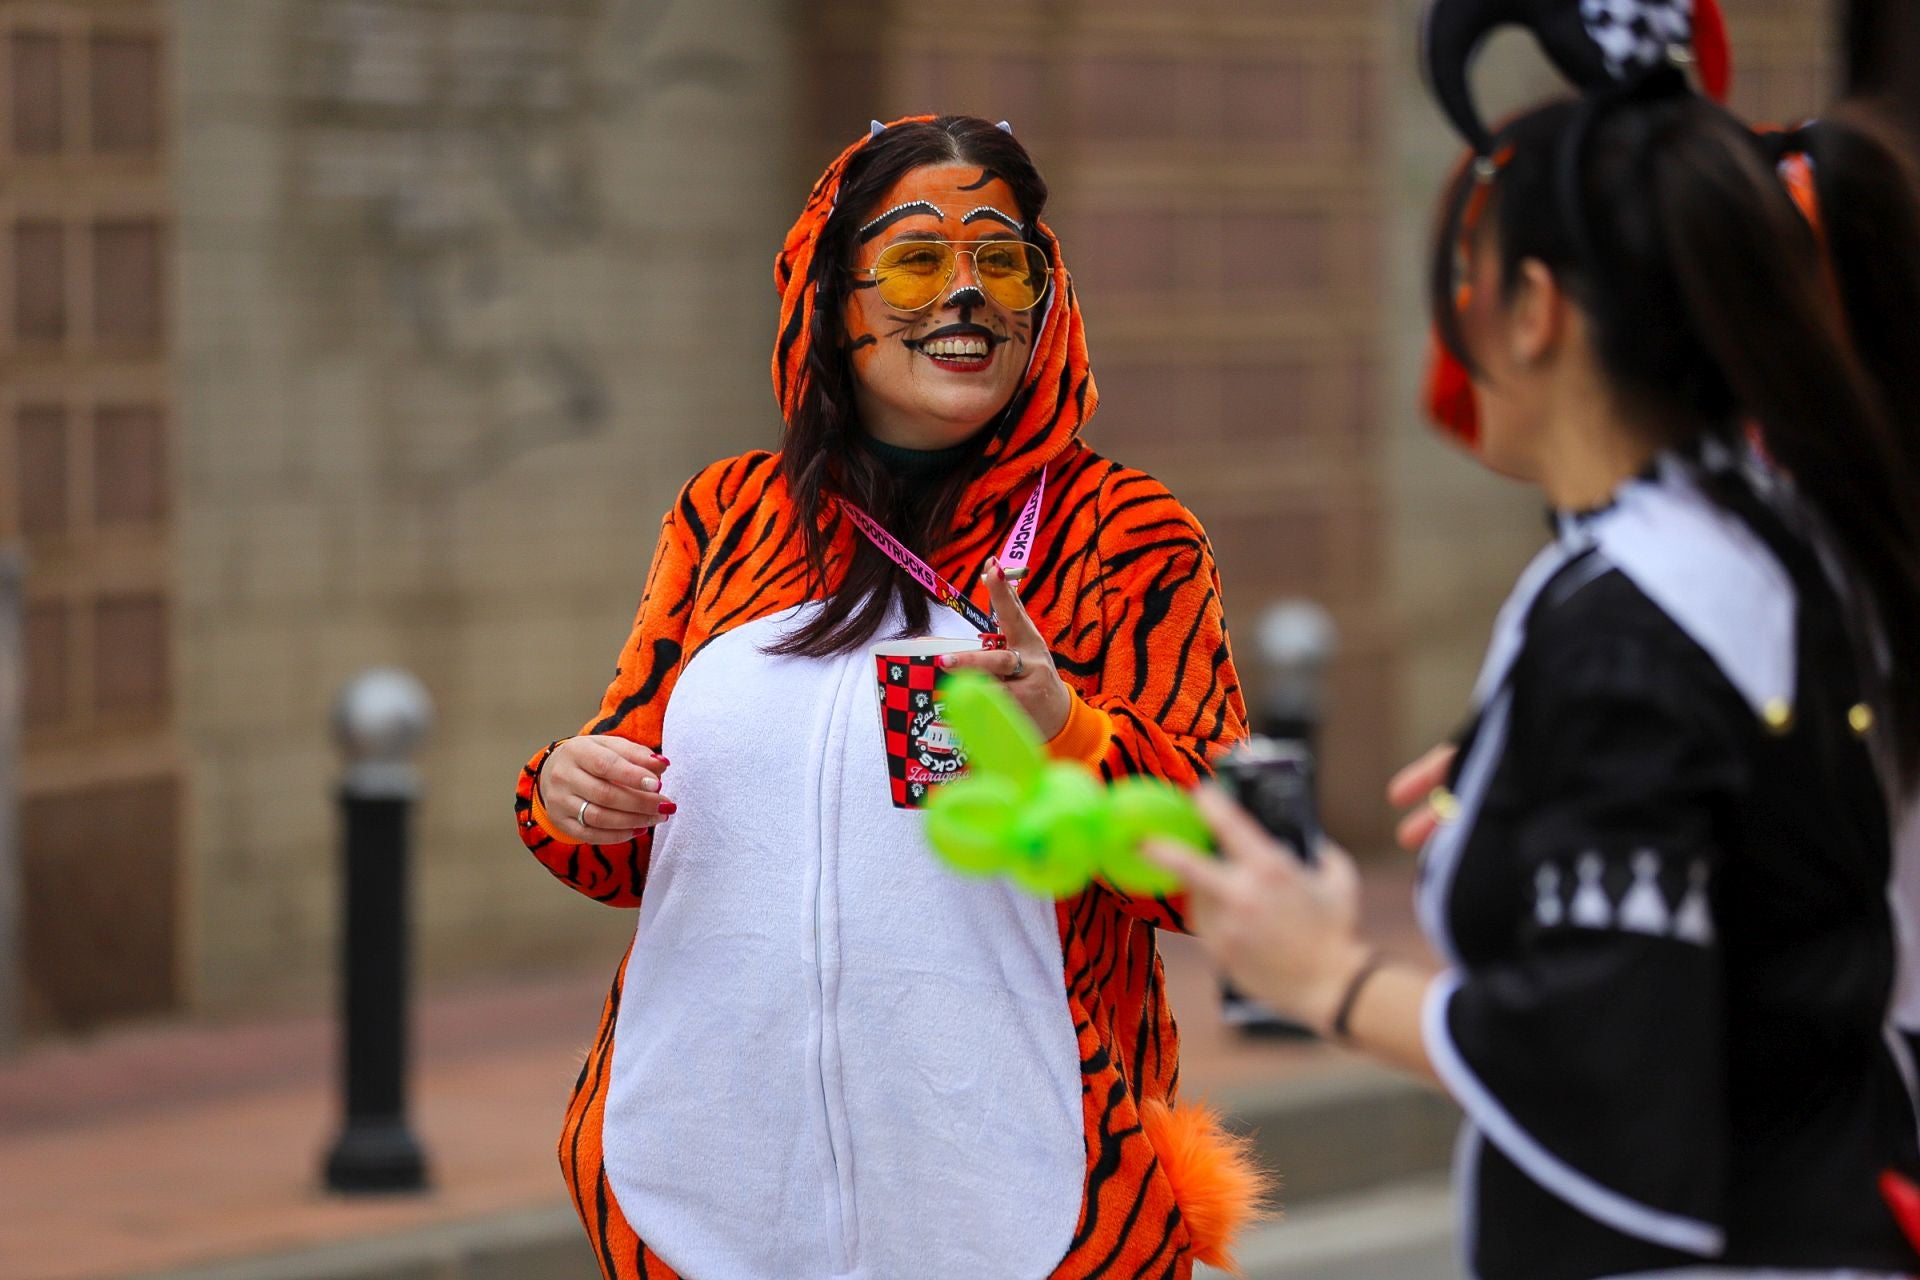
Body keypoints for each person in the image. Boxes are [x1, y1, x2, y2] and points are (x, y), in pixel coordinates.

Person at [1148, 2, 1920, 1275]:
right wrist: (1541, 800)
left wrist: (1322, 972)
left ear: (1535, 309)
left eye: (1466, 278)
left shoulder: (1632, 618)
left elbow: (1612, 1064)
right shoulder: (1794, 545)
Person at [512, 115, 1262, 1280]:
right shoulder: (729, 514)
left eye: (1002, 261)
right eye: (917, 260)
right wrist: (568, 787)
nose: (966, 297)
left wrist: (1069, 732)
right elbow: (627, 838)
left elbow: (1224, 865)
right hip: (705, 1198)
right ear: (832, 296)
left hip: (1029, 1204)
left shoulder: (1122, 535)